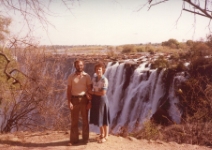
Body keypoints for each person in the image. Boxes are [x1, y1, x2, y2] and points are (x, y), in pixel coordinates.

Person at [67, 60, 92, 145]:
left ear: (83, 66)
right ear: (75, 66)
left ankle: (85, 139)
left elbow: (89, 89)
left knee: (85, 120)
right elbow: (69, 90)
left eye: (81, 65)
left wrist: (90, 102)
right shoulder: (71, 76)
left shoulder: (87, 76)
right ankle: (73, 140)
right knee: (74, 121)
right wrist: (69, 102)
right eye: (78, 65)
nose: (79, 67)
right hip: (74, 100)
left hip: (84, 99)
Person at [89, 62, 110, 143]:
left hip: (102, 100)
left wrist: (93, 93)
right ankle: (102, 134)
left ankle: (106, 136)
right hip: (95, 99)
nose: (98, 70)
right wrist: (89, 93)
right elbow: (90, 88)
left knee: (104, 117)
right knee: (99, 117)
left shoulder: (104, 79)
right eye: (97, 69)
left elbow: (103, 93)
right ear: (95, 70)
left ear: (103, 70)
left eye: (100, 69)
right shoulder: (94, 78)